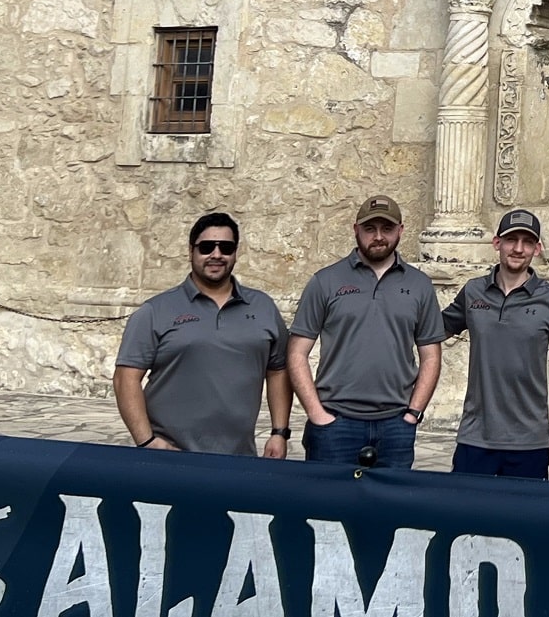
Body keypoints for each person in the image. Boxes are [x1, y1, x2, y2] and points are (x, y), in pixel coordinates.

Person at [440, 208, 549, 479]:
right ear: (497, 243)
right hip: (475, 439)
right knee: (465, 521)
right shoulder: (473, 292)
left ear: (537, 249)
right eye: (511, 240)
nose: (518, 248)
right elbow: (432, 332)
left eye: (527, 241)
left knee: (522, 522)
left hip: (528, 444)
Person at [114, 212, 292, 457]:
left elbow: (278, 371)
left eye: (226, 248)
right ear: (191, 251)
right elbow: (125, 378)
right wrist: (147, 442)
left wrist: (279, 432)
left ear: (235, 253)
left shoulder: (263, 307)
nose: (216, 254)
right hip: (169, 456)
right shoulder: (155, 311)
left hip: (240, 458)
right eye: (207, 247)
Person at [289, 194, 444, 469]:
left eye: (387, 229)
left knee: (390, 511)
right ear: (356, 230)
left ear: (401, 231)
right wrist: (316, 413)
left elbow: (431, 356)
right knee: (329, 509)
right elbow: (297, 353)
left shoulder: (420, 286)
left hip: (395, 425)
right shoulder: (325, 281)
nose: (379, 237)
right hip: (335, 424)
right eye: (370, 229)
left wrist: (413, 413)